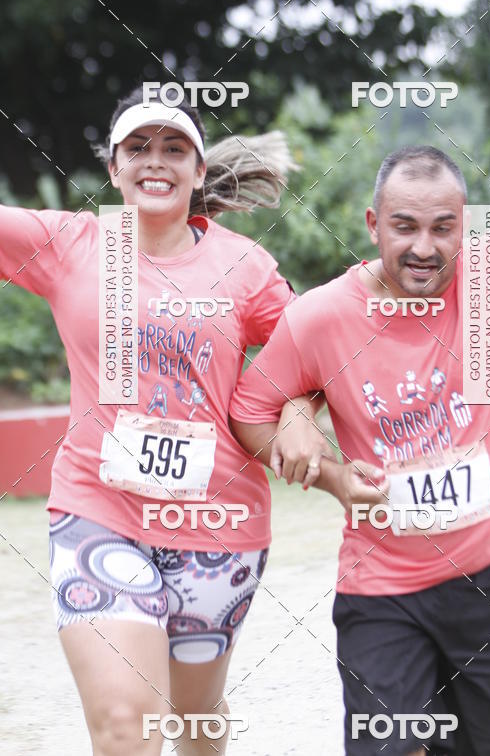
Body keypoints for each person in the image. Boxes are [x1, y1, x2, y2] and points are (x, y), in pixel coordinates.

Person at [229, 135, 490, 755]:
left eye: (442, 228)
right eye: (404, 227)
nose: (423, 248)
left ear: (464, 228)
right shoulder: (321, 317)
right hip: (382, 590)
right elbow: (249, 411)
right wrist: (329, 473)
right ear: (374, 224)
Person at [0, 84, 307, 755]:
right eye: (137, 147)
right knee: (126, 728)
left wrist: (299, 414)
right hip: (97, 510)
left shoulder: (244, 266)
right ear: (113, 168)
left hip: (218, 528)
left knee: (194, 719)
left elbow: (308, 353)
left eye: (173, 147)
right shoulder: (71, 244)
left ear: (199, 170)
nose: (154, 160)